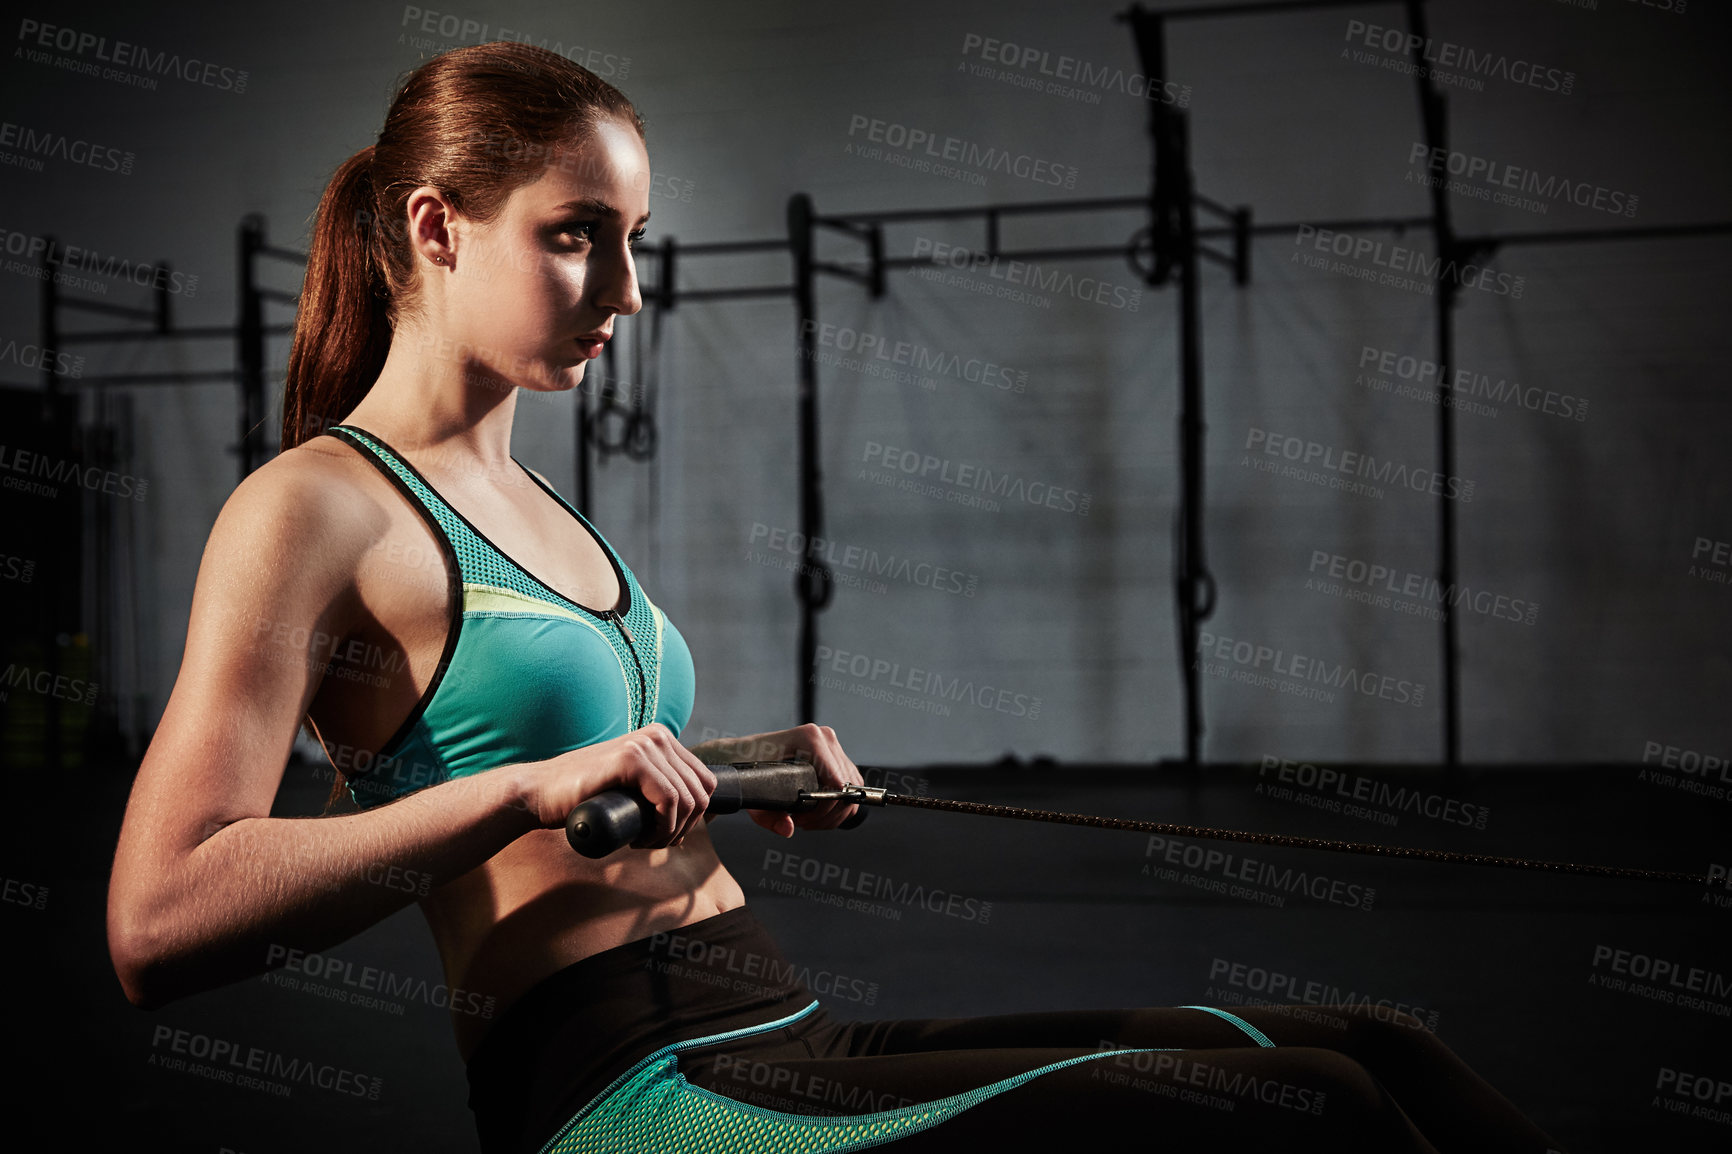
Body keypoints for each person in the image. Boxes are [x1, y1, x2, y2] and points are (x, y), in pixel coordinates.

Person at [106, 42, 1567, 1154]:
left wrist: (745, 766)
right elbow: (156, 922)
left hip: (773, 1013)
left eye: (635, 237)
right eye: (576, 233)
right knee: (1309, 1104)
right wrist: (533, 788)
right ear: (435, 229)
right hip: (636, 1088)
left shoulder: (534, 501)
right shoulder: (311, 508)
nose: (626, 286)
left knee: (1372, 1046)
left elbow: (580, 768)